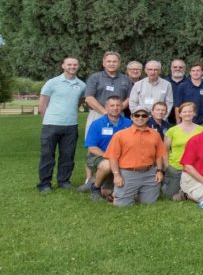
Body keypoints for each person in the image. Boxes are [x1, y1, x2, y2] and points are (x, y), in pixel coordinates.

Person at [81, 51, 133, 190]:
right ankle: (89, 179)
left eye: (114, 61)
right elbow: (89, 98)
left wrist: (117, 109)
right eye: (108, 61)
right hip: (98, 114)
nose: (111, 64)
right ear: (103, 63)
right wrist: (105, 112)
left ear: (119, 63)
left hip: (118, 114)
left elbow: (129, 98)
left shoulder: (125, 79)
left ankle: (111, 177)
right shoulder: (95, 77)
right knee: (93, 146)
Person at [103, 106, 167, 207]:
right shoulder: (120, 135)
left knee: (149, 203)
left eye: (144, 115)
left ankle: (132, 193)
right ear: (131, 117)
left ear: (148, 117)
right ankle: (116, 195)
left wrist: (159, 171)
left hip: (149, 173)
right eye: (137, 115)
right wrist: (116, 175)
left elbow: (159, 154)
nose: (140, 118)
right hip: (128, 173)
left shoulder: (155, 134)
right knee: (122, 206)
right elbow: (112, 157)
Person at [38, 57, 85, 192]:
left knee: (68, 155)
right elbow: (43, 103)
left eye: (75, 64)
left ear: (78, 66)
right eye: (69, 64)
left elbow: (80, 101)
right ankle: (45, 184)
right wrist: (46, 120)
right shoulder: (52, 83)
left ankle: (64, 181)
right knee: (47, 155)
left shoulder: (81, 85)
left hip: (71, 125)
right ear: (63, 66)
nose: (72, 66)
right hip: (51, 125)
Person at [84, 97, 131, 201]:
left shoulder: (128, 123)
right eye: (112, 105)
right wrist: (110, 157)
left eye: (118, 105)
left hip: (121, 157)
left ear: (122, 107)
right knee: (107, 165)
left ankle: (99, 183)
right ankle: (95, 188)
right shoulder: (97, 123)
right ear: (106, 107)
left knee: (107, 193)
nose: (115, 108)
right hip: (99, 157)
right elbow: (92, 147)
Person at [162, 102, 203, 200]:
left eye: (190, 111)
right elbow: (165, 150)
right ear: (180, 114)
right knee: (169, 195)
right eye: (184, 112)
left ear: (194, 113)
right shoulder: (172, 130)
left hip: (195, 168)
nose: (187, 114)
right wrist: (167, 166)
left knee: (196, 191)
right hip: (176, 166)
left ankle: (185, 192)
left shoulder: (201, 130)